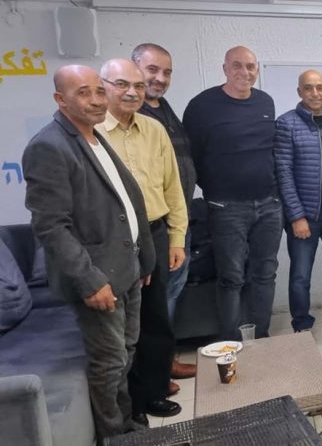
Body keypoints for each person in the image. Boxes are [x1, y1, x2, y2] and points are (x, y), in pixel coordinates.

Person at [23, 65, 155, 439]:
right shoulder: (49, 146)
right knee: (109, 362)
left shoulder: (94, 137)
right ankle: (113, 435)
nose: (97, 100)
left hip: (125, 269)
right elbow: (51, 226)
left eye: (99, 90)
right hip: (98, 278)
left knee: (125, 352)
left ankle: (126, 424)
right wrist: (89, 280)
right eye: (84, 92)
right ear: (60, 99)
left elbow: (122, 205)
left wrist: (142, 259)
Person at [98, 58, 187, 424]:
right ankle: (128, 405)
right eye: (122, 84)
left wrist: (177, 237)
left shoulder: (154, 129)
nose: (132, 92)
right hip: (112, 240)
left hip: (154, 233)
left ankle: (152, 393)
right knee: (122, 327)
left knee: (155, 319)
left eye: (137, 85)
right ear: (104, 86)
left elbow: (173, 188)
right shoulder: (91, 133)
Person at [183, 46, 281, 340]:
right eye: (237, 65)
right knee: (231, 277)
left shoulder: (265, 101)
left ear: (257, 70)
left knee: (265, 274)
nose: (244, 72)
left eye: (250, 66)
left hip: (269, 205)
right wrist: (215, 190)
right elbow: (191, 157)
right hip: (226, 207)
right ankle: (230, 343)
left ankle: (260, 338)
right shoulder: (202, 106)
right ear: (224, 69)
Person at [132, 43, 198, 384]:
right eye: (152, 70)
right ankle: (156, 368)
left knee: (170, 292)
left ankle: (164, 360)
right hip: (150, 227)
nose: (160, 78)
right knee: (154, 301)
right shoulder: (134, 115)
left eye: (167, 72)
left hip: (177, 221)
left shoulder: (165, 111)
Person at [275, 69, 322, 336]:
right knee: (300, 276)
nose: (315, 93)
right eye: (308, 88)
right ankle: (302, 325)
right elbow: (283, 173)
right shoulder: (286, 124)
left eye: (320, 87)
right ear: (300, 92)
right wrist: (296, 216)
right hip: (305, 214)